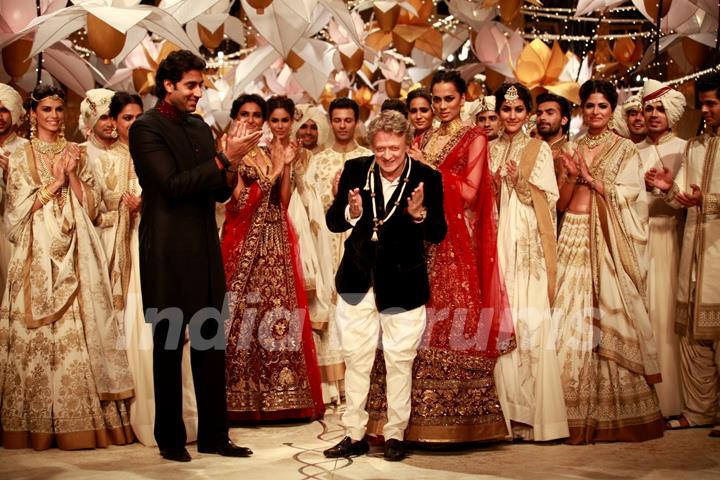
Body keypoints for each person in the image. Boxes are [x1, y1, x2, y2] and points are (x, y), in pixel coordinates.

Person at [367, 70, 515, 443]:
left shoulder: (474, 138)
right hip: (415, 241)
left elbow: (468, 193)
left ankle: (458, 421)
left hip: (451, 242)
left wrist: (428, 167)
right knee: (407, 328)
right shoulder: (422, 136)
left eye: (449, 99)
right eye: (437, 99)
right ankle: (401, 423)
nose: (442, 106)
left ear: (463, 99)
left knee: (451, 320)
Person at [129, 50, 261, 462]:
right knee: (168, 342)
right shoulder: (145, 128)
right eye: (191, 85)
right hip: (166, 247)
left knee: (210, 342)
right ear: (168, 85)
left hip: (203, 243)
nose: (199, 93)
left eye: (201, 85)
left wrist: (233, 163)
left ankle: (214, 436)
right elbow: (170, 184)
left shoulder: (201, 128)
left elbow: (220, 191)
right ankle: (170, 437)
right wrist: (225, 157)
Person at [0, 84, 134, 450]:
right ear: (32, 114)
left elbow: (91, 207)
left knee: (86, 329)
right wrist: (54, 183)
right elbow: (14, 214)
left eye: (59, 109)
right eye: (46, 110)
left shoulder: (77, 152)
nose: (54, 117)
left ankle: (85, 422)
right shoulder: (22, 154)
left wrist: (72, 176)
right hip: (36, 254)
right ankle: (38, 424)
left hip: (78, 252)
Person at [322, 110, 447, 461]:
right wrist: (353, 213)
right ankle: (353, 433)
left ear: (408, 144)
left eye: (394, 148)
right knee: (356, 360)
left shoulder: (426, 177)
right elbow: (333, 221)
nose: (388, 156)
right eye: (381, 149)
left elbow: (438, 233)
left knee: (399, 360)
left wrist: (420, 215)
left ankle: (395, 434)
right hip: (357, 280)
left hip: (404, 282)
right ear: (372, 147)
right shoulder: (356, 170)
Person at [554, 79, 663, 444]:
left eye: (602, 106)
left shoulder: (625, 150)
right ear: (582, 110)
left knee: (604, 318)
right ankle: (563, 415)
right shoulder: (572, 146)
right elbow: (562, 203)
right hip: (572, 234)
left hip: (606, 241)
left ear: (611, 110)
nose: (595, 112)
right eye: (589, 106)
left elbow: (634, 198)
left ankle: (614, 415)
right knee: (568, 323)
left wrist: (594, 181)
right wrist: (570, 177)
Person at [222, 94, 324, 422]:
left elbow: (282, 199)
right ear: (234, 116)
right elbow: (236, 203)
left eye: (256, 115)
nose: (251, 120)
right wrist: (278, 167)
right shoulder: (228, 148)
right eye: (244, 114)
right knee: (242, 317)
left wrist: (287, 164)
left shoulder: (269, 151)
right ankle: (240, 400)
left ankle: (283, 398)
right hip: (243, 241)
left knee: (277, 315)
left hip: (276, 240)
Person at [489, 82, 568, 441]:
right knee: (501, 322)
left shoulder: (537, 149)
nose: (511, 116)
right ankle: (504, 415)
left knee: (528, 321)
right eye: (506, 110)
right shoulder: (488, 148)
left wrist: (519, 182)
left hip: (526, 243)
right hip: (495, 240)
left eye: (519, 110)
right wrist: (493, 185)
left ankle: (535, 418)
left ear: (528, 114)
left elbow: (549, 199)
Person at [648, 71, 720, 437]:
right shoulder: (696, 146)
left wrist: (707, 201)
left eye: (711, 104)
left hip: (717, 252)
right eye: (702, 104)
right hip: (693, 246)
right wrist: (666, 189)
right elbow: (682, 200)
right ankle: (700, 410)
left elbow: (705, 199)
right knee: (693, 334)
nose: (704, 110)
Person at [301, 98, 371, 404]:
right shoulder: (319, 160)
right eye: (338, 120)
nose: (343, 125)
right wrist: (332, 195)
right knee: (333, 308)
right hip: (328, 242)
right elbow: (313, 209)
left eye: (348, 120)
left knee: (361, 309)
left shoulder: (368, 157)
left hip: (360, 243)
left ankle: (364, 381)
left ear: (357, 122)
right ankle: (336, 387)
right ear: (331, 123)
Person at [636, 79, 687, 419]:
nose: (654, 115)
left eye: (660, 109)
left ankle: (670, 399)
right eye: (649, 108)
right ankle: (641, 400)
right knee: (642, 317)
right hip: (637, 238)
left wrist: (669, 190)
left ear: (673, 113)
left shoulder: (686, 148)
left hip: (670, 238)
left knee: (665, 316)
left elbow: (688, 200)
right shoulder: (632, 151)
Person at [0, 84, 28, 300]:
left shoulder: (27, 149)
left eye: (4, 110)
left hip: (14, 232)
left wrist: (12, 175)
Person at [536, 92, 572, 181]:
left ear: (563, 120)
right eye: (539, 114)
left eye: (550, 113)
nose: (542, 117)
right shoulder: (530, 148)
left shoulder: (570, 153)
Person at [79, 88, 119, 168]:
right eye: (104, 118)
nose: (110, 124)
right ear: (91, 122)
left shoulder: (130, 151)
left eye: (113, 117)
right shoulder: (79, 154)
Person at [406, 88, 433, 161]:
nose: (418, 116)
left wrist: (422, 161)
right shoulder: (404, 138)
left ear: (433, 112)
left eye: (424, 110)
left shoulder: (441, 139)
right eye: (413, 111)